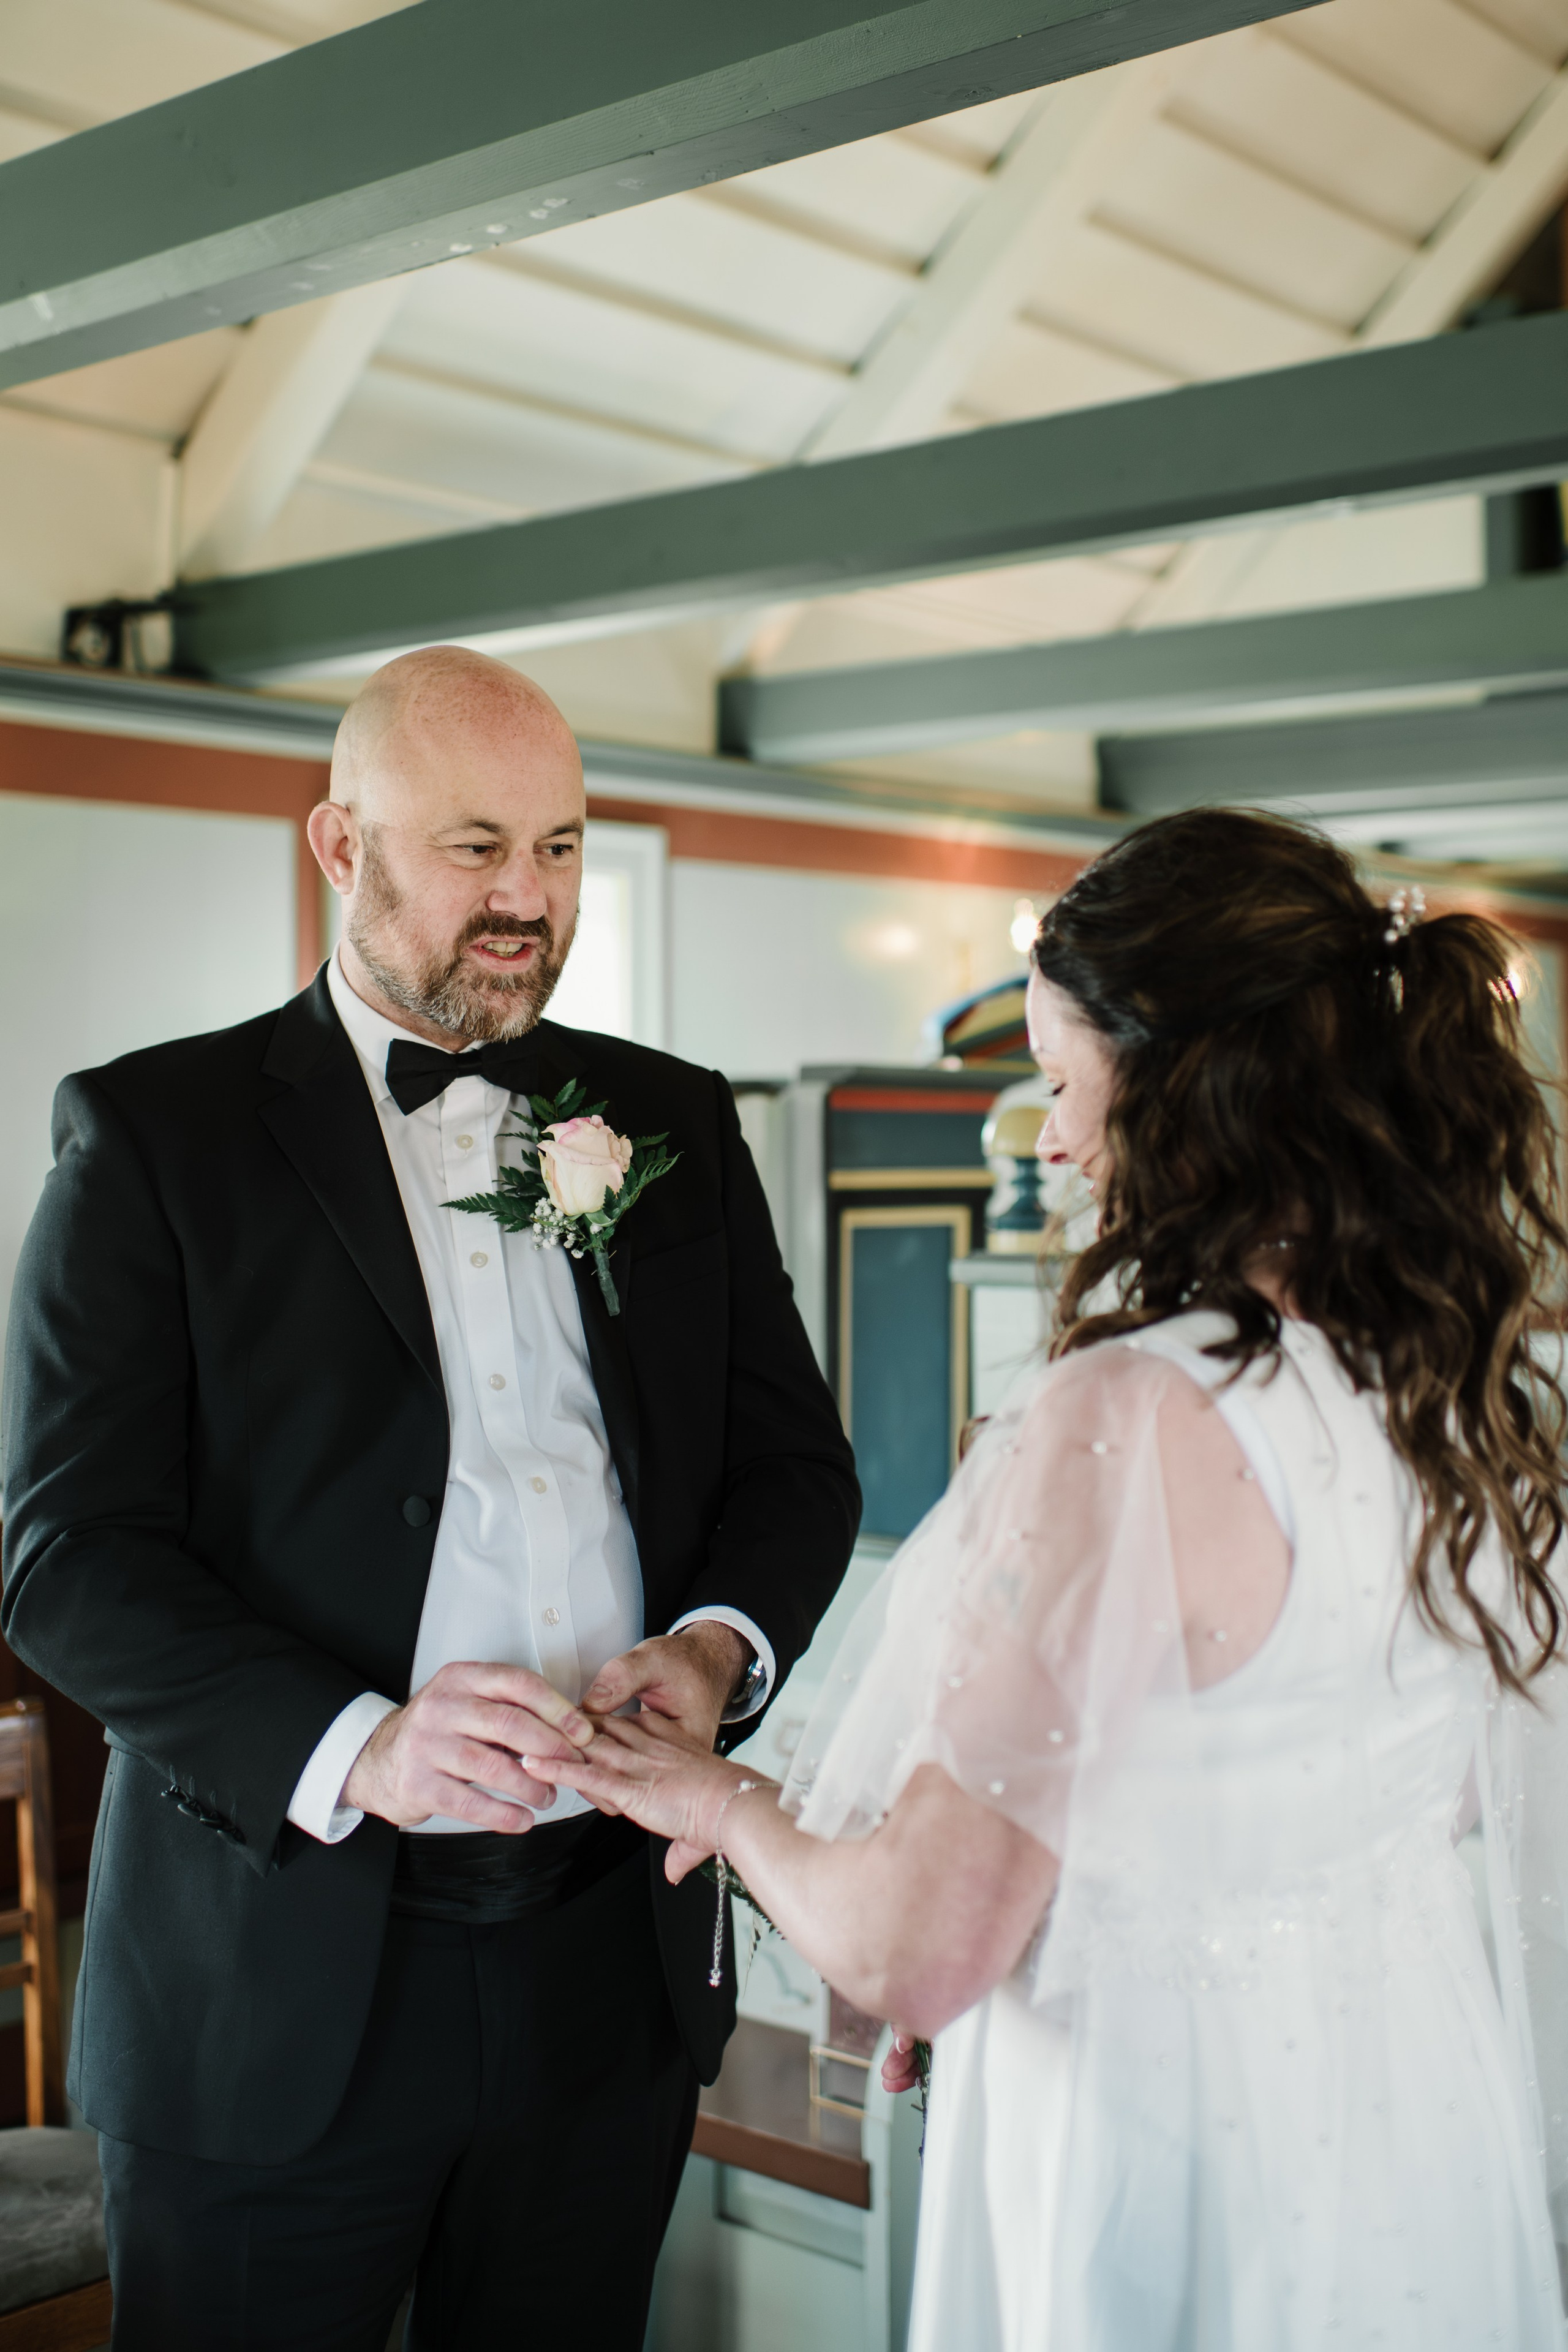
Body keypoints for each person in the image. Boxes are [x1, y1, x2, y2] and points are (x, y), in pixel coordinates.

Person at [527, 807, 1568, 2350]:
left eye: (1064, 1085)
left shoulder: (1134, 1416)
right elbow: (1400, 1788)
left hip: (1169, 2124)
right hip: (1406, 2106)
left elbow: (910, 1952)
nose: (1051, 1139)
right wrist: (1048, 1900)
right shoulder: (1483, 1384)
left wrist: (714, 1802)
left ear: (1187, 1084)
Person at [0, 646, 859, 2350]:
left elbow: (794, 1468)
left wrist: (710, 1651)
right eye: (476, 848)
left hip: (606, 1967)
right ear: (341, 844)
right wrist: (364, 1747)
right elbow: (68, 1560)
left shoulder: (665, 1118)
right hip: (277, 1975)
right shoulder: (154, 1135)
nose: (527, 901)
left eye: (560, 847)